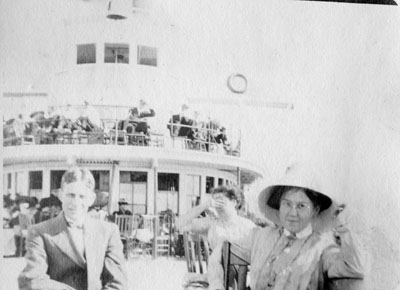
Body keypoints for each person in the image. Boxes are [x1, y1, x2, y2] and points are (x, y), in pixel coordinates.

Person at [230, 165, 365, 290]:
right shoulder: (263, 236)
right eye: (287, 204)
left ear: (315, 210)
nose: (292, 213)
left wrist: (344, 228)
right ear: (279, 206)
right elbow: (227, 244)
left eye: (301, 206)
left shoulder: (322, 247)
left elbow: (354, 267)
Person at [18, 167, 127, 290]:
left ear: (91, 199)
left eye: (82, 196)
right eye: (70, 195)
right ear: (60, 195)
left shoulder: (108, 232)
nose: (75, 202)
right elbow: (32, 281)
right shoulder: (40, 233)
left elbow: (117, 283)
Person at [176, 185, 255, 290]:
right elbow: (179, 224)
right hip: (216, 275)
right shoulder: (212, 222)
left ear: (234, 202)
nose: (217, 204)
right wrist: (204, 205)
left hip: (241, 277)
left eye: (221, 201)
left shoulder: (247, 225)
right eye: (215, 200)